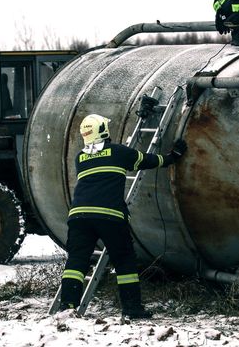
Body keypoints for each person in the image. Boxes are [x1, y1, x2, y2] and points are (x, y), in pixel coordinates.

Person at [58, 113, 187, 318]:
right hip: (109, 215)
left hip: (78, 216)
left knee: (77, 261)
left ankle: (67, 306)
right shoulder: (118, 152)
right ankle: (132, 309)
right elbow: (150, 160)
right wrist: (174, 156)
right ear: (103, 130)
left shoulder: (80, 157)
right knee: (124, 260)